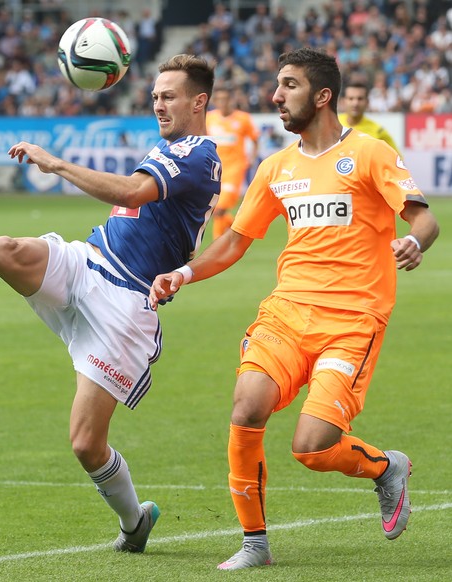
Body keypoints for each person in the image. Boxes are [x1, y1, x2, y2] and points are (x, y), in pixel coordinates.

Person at [0, 54, 220, 553]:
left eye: (168, 95)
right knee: (10, 249)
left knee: (86, 443)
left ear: (199, 102)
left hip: (126, 303)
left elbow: (133, 189)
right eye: (154, 95)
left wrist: (55, 163)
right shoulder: (173, 145)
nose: (157, 103)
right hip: (90, 259)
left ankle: (134, 523)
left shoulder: (198, 152)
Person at [150, 47, 439, 570]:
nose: (276, 96)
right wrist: (184, 272)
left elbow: (423, 219)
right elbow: (236, 241)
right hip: (287, 312)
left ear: (322, 96)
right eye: (277, 85)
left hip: (352, 321)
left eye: (289, 85)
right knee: (246, 408)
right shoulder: (276, 168)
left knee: (312, 446)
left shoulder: (370, 154)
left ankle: (385, 468)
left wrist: (414, 242)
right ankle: (254, 543)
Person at [206, 87, 260, 239]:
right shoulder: (209, 118)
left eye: (226, 99)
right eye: (219, 99)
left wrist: (252, 158)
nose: (222, 102)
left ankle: (217, 245)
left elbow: (255, 139)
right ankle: (239, 233)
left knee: (220, 209)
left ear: (232, 100)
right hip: (215, 171)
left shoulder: (243, 118)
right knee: (215, 210)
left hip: (235, 169)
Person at [339, 80, 401, 155]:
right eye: (351, 98)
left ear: (367, 102)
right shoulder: (333, 124)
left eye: (360, 99)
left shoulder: (378, 131)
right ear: (343, 101)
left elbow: (398, 161)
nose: (355, 103)